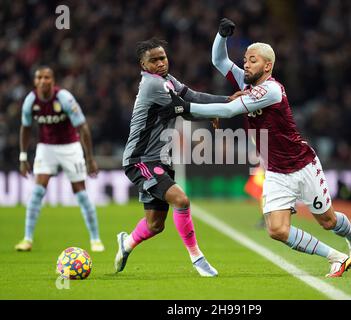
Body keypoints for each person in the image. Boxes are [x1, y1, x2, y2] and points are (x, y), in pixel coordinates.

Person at [158, 18, 351, 277]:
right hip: (277, 171)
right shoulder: (248, 84)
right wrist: (222, 36)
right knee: (277, 230)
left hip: (302, 165)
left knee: (329, 222)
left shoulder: (272, 90)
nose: (245, 63)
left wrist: (184, 108)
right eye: (245, 59)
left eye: (252, 60)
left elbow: (230, 109)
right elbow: (219, 61)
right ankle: (336, 257)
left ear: (267, 65)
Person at [114, 38, 242, 276]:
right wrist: (222, 108)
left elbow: (190, 96)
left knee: (155, 225)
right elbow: (184, 107)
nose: (161, 63)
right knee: (181, 200)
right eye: (154, 60)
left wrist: (224, 101)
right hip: (141, 160)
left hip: (161, 159)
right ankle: (198, 259)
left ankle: (127, 242)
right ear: (143, 65)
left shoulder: (167, 81)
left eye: (163, 57)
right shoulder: (153, 85)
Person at [15, 66, 104, 252]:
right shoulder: (31, 100)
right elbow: (25, 128)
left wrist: (89, 158)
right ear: (35, 81)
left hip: (70, 147)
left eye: (46, 77)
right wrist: (23, 156)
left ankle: (95, 239)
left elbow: (82, 127)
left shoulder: (64, 98)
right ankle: (27, 239)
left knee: (80, 192)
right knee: (38, 191)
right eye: (39, 77)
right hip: (46, 148)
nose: (42, 81)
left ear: (52, 80)